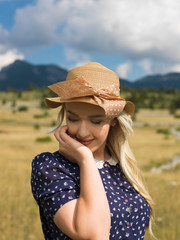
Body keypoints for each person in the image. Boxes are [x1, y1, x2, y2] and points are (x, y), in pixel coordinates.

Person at [31, 62, 155, 240]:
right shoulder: (51, 167)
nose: (82, 132)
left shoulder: (123, 167)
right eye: (73, 118)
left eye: (96, 121)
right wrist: (85, 159)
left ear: (113, 120)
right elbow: (93, 234)